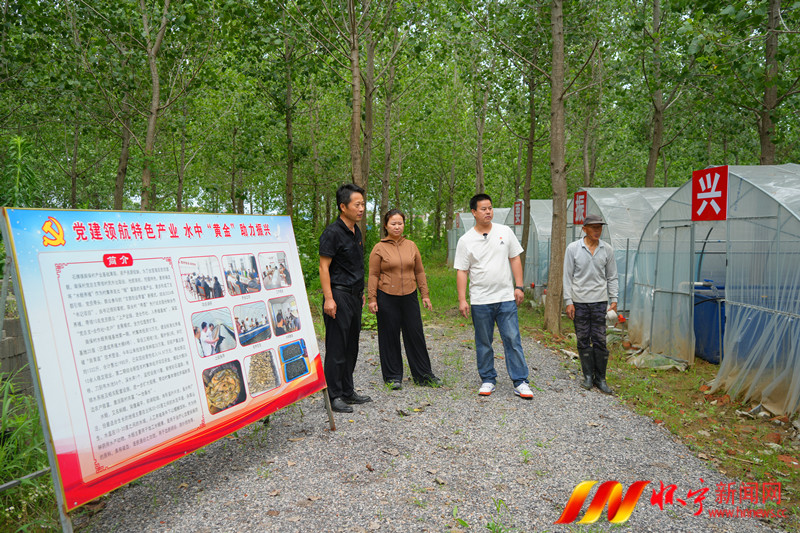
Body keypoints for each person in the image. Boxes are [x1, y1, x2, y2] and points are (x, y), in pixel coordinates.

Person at [454, 193, 533, 399]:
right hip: (481, 300)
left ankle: (520, 381)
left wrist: (519, 286)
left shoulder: (505, 232)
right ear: (474, 212)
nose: (488, 212)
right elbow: (462, 271)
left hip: (506, 297)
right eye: (483, 209)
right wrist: (462, 299)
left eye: (490, 208)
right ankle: (488, 379)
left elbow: (515, 258)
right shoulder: (466, 240)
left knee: (512, 339)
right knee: (483, 341)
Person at [368, 209, 441, 390]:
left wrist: (425, 294)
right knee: (389, 336)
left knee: (415, 334)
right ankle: (392, 377)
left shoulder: (411, 246)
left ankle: (423, 375)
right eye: (393, 223)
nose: (397, 227)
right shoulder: (379, 248)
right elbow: (373, 275)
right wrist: (372, 298)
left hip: (409, 295)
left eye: (400, 223)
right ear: (386, 226)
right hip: (386, 296)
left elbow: (419, 271)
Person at [319, 183, 373, 413]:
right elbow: (324, 267)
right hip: (338, 295)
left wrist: (360, 292)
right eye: (357, 205)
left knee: (351, 346)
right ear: (343, 206)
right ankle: (334, 395)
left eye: (363, 204)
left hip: (354, 296)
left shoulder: (355, 231)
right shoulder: (332, 233)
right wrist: (329, 299)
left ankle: (348, 391)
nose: (361, 209)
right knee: (336, 347)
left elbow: (355, 265)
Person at [563, 213, 619, 394]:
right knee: (583, 338)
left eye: (600, 227)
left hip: (599, 301)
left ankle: (600, 378)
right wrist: (568, 301)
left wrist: (614, 299)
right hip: (579, 301)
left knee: (600, 339)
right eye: (594, 227)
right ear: (584, 229)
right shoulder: (573, 249)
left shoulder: (607, 249)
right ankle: (587, 376)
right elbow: (567, 276)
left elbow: (612, 276)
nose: (597, 231)